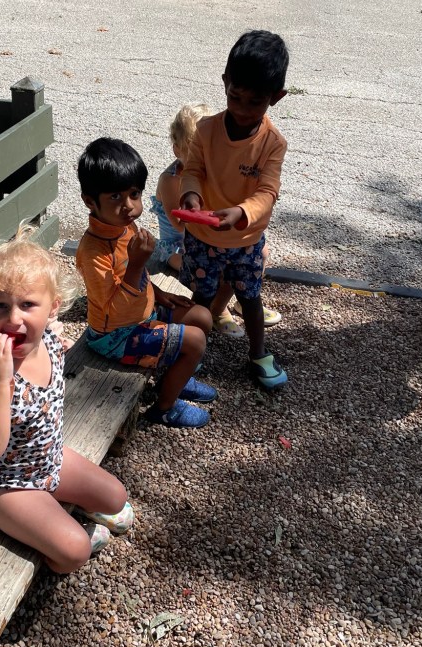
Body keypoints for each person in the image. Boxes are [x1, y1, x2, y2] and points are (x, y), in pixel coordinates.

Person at [0, 227, 134, 573]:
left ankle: (56, 512)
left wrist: (59, 340)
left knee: (116, 497)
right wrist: (1, 379)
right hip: (4, 484)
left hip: (49, 459)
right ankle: (42, 549)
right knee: (75, 552)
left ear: (53, 309)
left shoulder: (49, 340)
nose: (13, 318)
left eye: (28, 305)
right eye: (0, 306)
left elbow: (57, 345)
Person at [75, 137, 217, 428]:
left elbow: (137, 277)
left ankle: (175, 379)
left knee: (202, 316)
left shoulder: (123, 226)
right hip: (114, 336)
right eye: (115, 197)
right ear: (90, 201)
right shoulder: (93, 252)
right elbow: (113, 311)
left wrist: (158, 292)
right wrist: (138, 264)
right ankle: (164, 408)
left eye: (134, 194)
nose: (128, 206)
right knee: (195, 341)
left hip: (142, 313)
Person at [178, 29, 290, 390]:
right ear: (225, 82)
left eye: (255, 102)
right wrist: (191, 194)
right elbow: (193, 170)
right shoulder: (206, 130)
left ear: (276, 97)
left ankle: (258, 353)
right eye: (235, 97)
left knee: (251, 298)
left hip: (245, 239)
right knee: (201, 298)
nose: (241, 109)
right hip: (203, 234)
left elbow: (267, 192)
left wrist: (241, 213)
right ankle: (190, 351)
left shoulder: (272, 144)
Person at [152, 103, 283, 340]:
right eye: (195, 154)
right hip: (176, 245)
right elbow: (180, 225)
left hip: (208, 235)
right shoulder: (171, 180)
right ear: (177, 150)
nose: (206, 161)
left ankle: (243, 300)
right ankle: (218, 310)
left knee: (259, 252)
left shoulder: (212, 172)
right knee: (221, 267)